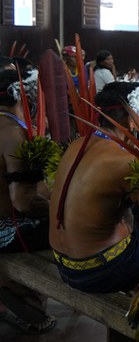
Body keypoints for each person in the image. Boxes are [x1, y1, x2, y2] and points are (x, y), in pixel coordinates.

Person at [49, 81, 139, 293]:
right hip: (101, 273)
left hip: (64, 265)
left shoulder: (77, 144)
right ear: (132, 120)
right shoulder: (126, 160)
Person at [0, 69, 57, 333]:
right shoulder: (11, 131)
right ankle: (28, 304)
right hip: (5, 231)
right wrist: (59, 212)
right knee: (83, 224)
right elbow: (22, 201)